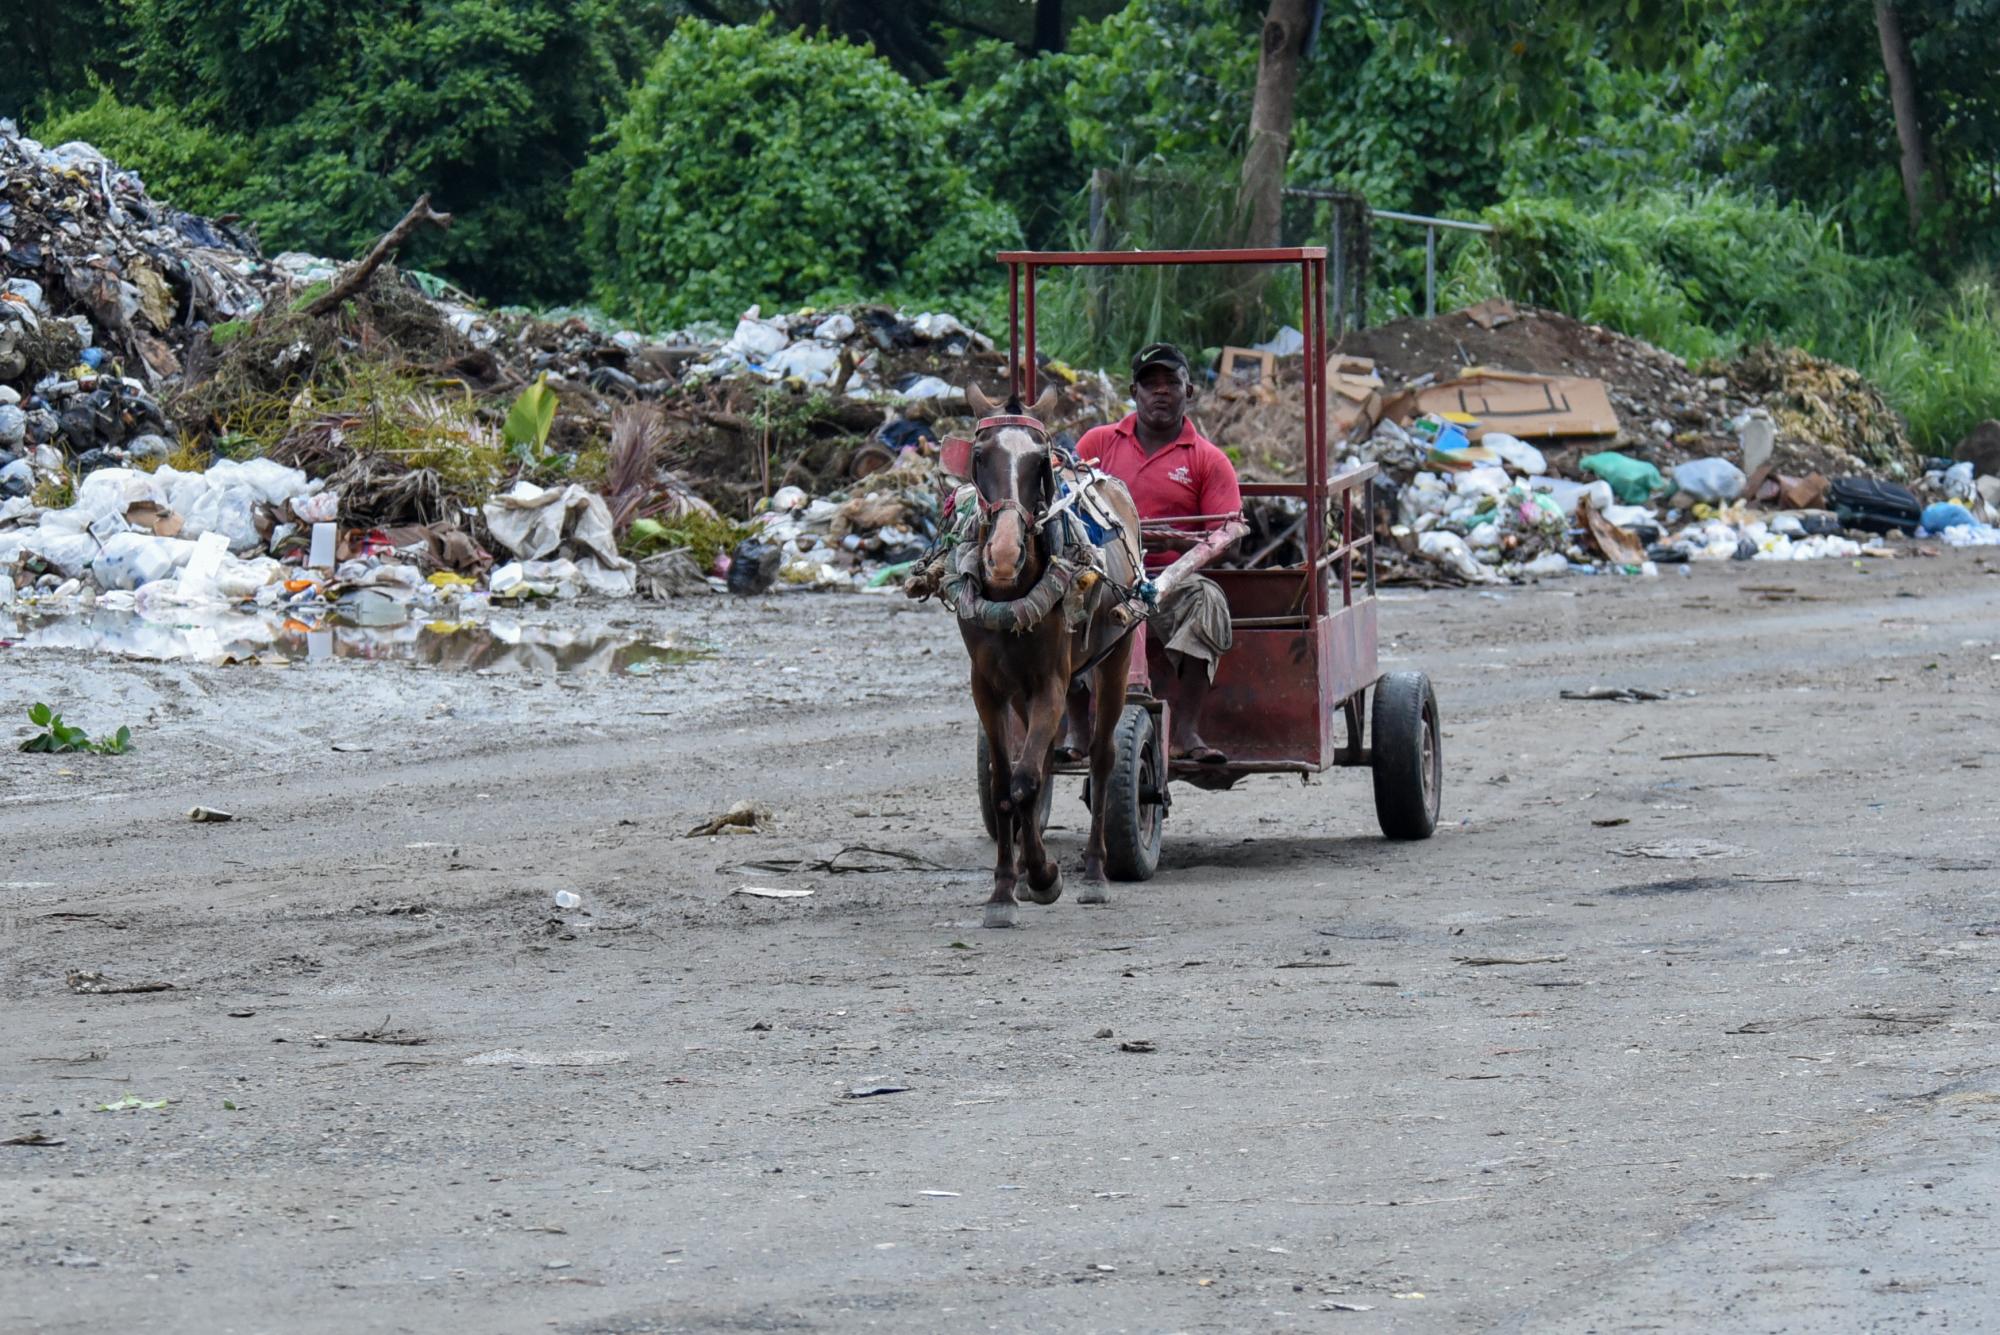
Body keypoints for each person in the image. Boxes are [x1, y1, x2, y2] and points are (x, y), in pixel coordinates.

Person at [1066, 342, 1247, 764]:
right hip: (1101, 578)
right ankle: (1076, 729)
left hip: (1171, 583)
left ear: (1190, 391)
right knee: (1061, 604)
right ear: (1134, 391)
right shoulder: (1098, 443)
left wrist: (1173, 544)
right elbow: (1067, 504)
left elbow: (1226, 534)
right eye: (1151, 384)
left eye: (1171, 382)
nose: (1161, 392)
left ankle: (1186, 731)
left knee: (1210, 601)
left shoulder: (1208, 460)